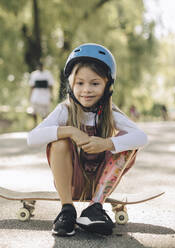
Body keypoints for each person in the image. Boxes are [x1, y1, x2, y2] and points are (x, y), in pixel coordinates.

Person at [27, 43, 148, 236]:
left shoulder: (110, 113)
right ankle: (67, 211)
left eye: (95, 83)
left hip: (101, 185)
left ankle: (94, 209)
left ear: (107, 85)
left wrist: (107, 143)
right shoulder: (64, 110)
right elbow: (32, 138)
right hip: (72, 183)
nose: (86, 90)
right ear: (71, 84)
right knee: (59, 140)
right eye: (80, 83)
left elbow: (142, 137)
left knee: (128, 141)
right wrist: (70, 131)